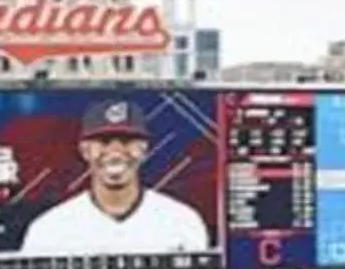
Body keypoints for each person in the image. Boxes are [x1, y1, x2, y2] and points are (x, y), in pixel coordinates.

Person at [20, 99, 213, 258]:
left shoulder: (182, 220)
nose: (115, 152)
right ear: (85, 151)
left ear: (144, 149)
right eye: (103, 141)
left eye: (127, 141)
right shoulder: (49, 228)